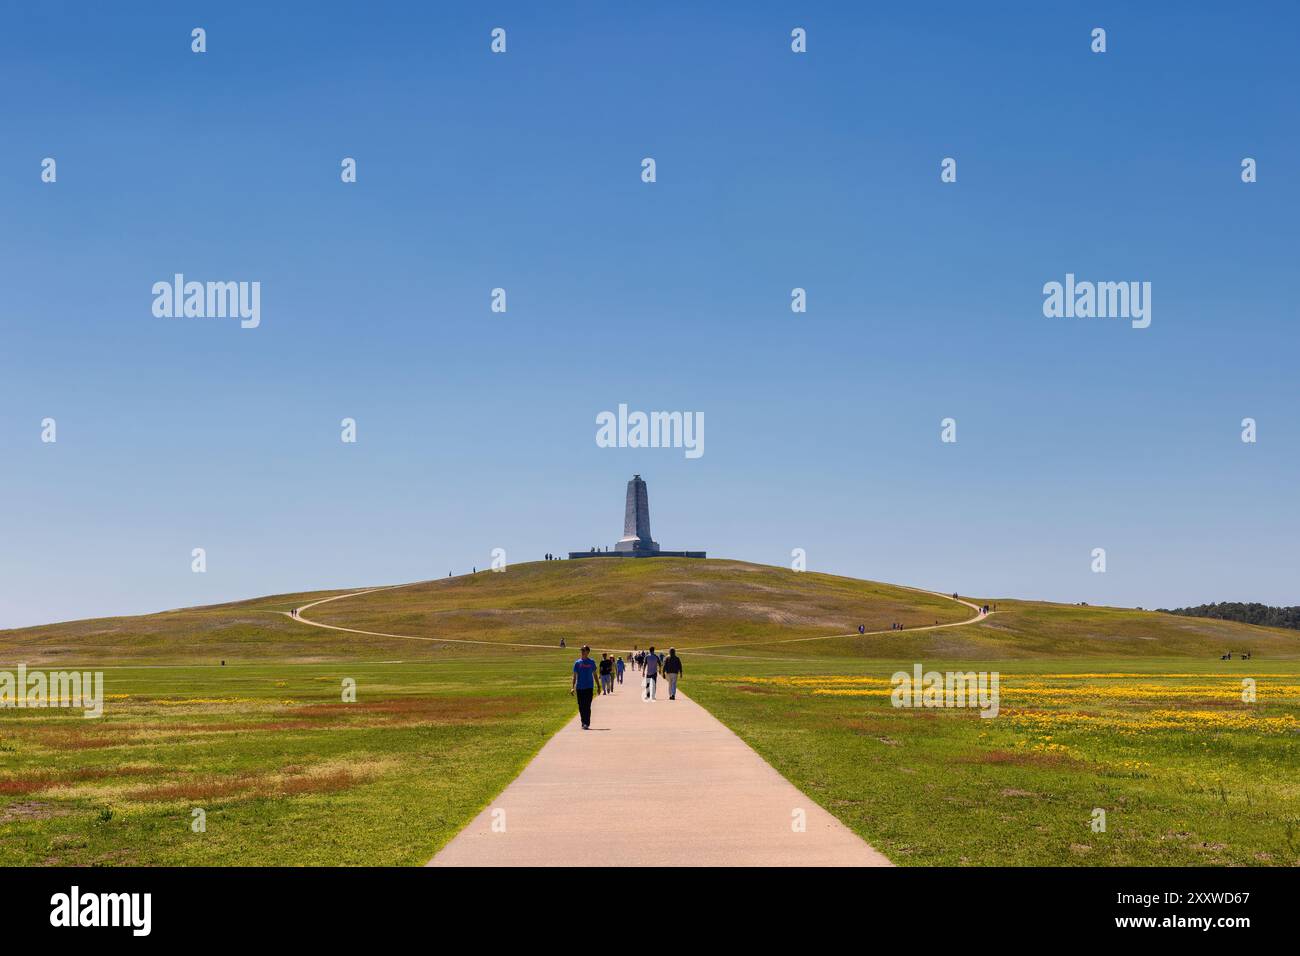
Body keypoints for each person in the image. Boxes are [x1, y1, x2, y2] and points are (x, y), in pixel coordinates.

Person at [570, 644, 599, 730]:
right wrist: (572, 687)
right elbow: (574, 676)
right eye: (581, 650)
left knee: (587, 705)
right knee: (581, 706)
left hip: (589, 687)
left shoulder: (591, 662)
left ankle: (586, 723)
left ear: (588, 652)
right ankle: (583, 721)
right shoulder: (577, 663)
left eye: (584, 650)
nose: (582, 652)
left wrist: (598, 685)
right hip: (580, 687)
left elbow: (595, 674)